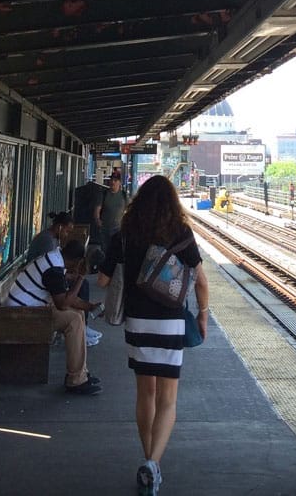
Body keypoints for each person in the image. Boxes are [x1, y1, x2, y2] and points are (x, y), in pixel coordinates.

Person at [97, 175, 209, 496]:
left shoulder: (124, 235)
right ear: (172, 204)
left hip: (137, 324)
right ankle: (153, 463)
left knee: (145, 394)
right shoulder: (180, 233)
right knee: (168, 399)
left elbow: (103, 281)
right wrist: (202, 316)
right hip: (170, 324)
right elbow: (200, 281)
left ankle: (149, 460)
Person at [7, 212, 102, 395]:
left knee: (78, 314)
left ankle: (80, 373)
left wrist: (89, 307)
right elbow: (63, 304)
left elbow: (66, 298)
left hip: (28, 308)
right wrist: (81, 277)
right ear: (76, 262)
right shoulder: (53, 268)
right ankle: (75, 380)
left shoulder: (54, 258)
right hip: (21, 314)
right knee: (73, 320)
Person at [96, 175, 128, 256]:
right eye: (111, 180)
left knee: (116, 251)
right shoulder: (104, 194)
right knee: (105, 250)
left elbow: (128, 210)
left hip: (118, 229)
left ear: (119, 183)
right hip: (105, 228)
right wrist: (97, 220)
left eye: (115, 180)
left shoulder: (124, 195)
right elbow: (97, 209)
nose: (112, 182)